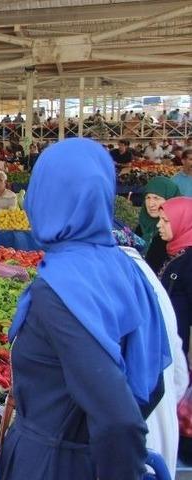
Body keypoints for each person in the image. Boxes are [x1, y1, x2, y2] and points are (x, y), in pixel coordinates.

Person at [0, 138, 170, 480]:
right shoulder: (123, 268)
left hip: (53, 465)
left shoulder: (61, 289)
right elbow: (151, 383)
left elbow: (119, 419)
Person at [115, 230, 189, 477]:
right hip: (159, 420)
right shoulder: (151, 282)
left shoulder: (115, 282)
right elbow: (179, 374)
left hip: (130, 431)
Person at [157, 197, 192, 358]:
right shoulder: (174, 251)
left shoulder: (189, 260)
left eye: (165, 221)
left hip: (178, 349)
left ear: (183, 222)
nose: (159, 225)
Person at [135, 177, 181, 273]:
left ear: (170, 199)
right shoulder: (141, 226)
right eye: (148, 198)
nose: (151, 204)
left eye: (156, 198)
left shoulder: (176, 231)